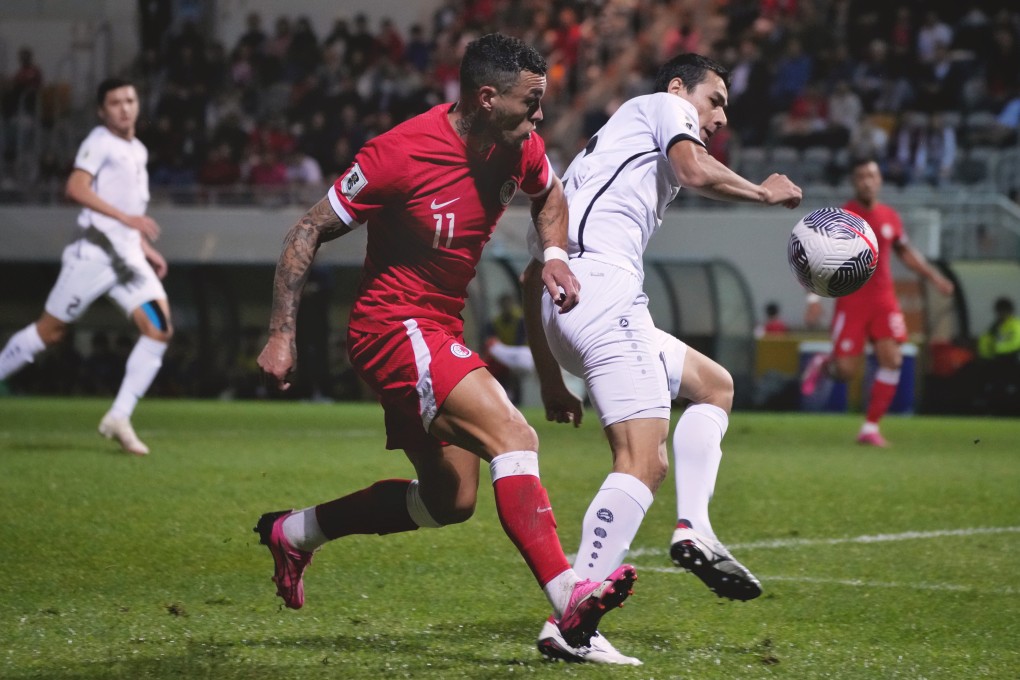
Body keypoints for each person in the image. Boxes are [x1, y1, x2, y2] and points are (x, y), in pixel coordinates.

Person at [252, 33, 635, 653]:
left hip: (438, 330)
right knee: (515, 436)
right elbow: (307, 230)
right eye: (531, 101)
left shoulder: (521, 147)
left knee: (449, 500)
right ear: (487, 98)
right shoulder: (397, 154)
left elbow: (551, 197)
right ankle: (570, 599)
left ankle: (295, 532)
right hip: (391, 328)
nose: (541, 116)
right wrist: (280, 334)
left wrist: (558, 255)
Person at [520, 53, 803, 664]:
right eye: (716, 99)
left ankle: (694, 527)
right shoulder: (662, 107)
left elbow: (529, 278)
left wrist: (551, 377)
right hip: (605, 293)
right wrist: (763, 192)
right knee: (642, 461)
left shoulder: (597, 159)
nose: (720, 115)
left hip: (571, 300)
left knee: (713, 385)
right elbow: (693, 168)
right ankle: (572, 623)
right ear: (680, 89)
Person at [0, 78, 171, 455]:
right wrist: (128, 220)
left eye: (129, 99)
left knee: (158, 328)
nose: (124, 107)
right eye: (115, 102)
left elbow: (129, 208)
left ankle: (119, 417)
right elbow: (75, 188)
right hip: (93, 256)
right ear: (101, 110)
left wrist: (143, 245)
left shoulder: (137, 150)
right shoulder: (99, 141)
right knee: (50, 333)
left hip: (125, 257)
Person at [802, 158, 955, 446]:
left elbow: (906, 252)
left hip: (884, 300)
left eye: (872, 175)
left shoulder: (889, 216)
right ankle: (824, 365)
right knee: (846, 372)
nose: (867, 181)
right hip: (851, 301)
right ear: (853, 181)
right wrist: (813, 297)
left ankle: (870, 428)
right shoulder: (843, 217)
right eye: (861, 176)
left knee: (893, 359)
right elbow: (816, 260)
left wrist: (935, 278)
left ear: (880, 180)